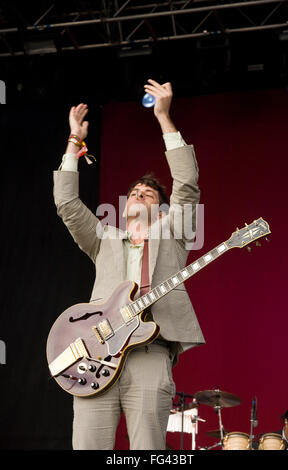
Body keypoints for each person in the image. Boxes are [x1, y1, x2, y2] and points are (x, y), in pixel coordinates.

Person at [53, 79, 205, 450]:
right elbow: (67, 204)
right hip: (96, 357)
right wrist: (74, 142)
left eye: (148, 193)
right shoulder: (103, 238)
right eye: (134, 191)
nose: (139, 193)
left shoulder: (174, 232)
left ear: (161, 209)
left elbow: (186, 183)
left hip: (149, 354)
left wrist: (164, 117)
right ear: (124, 205)